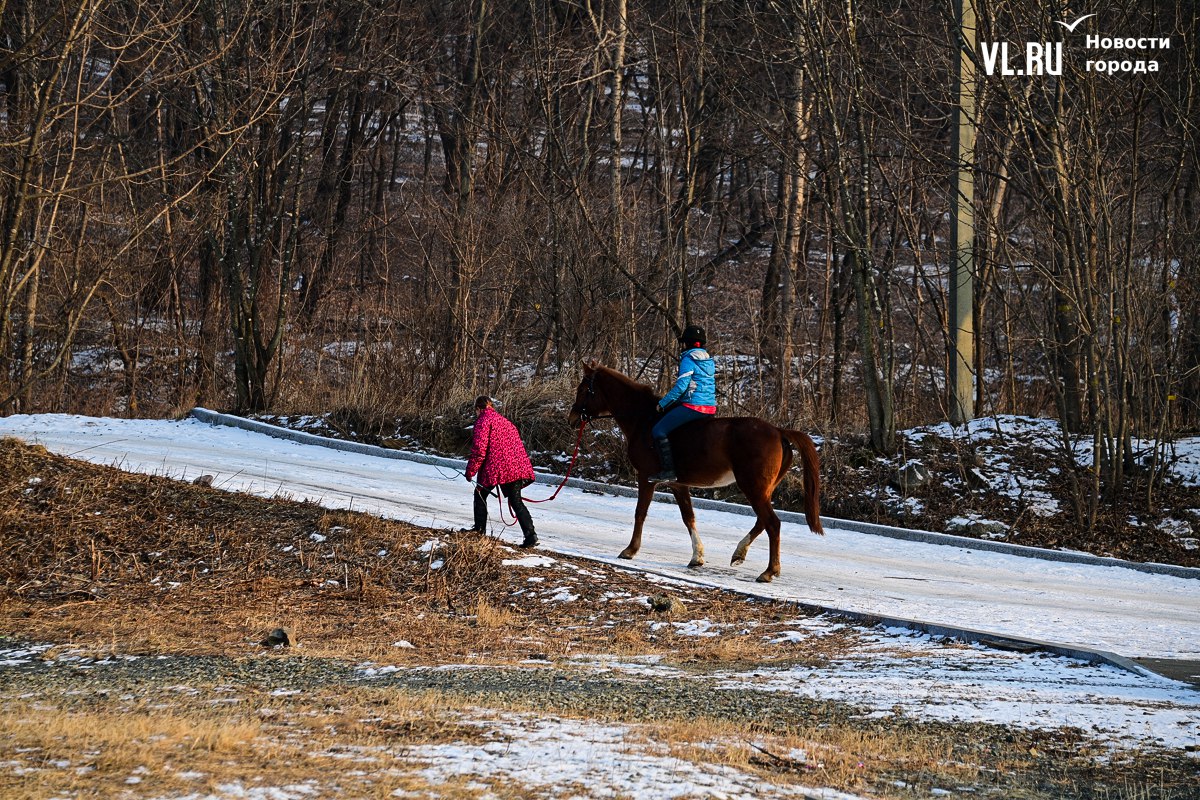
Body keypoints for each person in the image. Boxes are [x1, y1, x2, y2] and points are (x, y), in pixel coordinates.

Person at [464, 395, 539, 548]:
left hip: (498, 467)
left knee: (480, 493)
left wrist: (470, 471)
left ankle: (479, 531)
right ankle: (531, 536)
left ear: (478, 409)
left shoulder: (483, 421)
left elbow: (479, 450)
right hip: (516, 466)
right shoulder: (505, 421)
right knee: (516, 501)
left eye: (476, 411)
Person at [648, 324, 716, 483]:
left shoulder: (688, 359)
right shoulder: (709, 360)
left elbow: (681, 387)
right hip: (710, 408)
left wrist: (663, 403)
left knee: (658, 430)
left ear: (687, 343)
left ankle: (668, 471)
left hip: (693, 407)